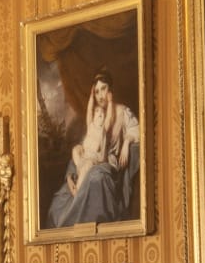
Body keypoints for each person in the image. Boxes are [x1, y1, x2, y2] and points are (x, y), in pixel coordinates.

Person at [45, 70, 140, 229]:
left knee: (95, 178)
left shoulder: (122, 111)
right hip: (88, 162)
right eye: (97, 92)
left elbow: (136, 130)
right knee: (58, 202)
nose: (100, 95)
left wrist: (126, 143)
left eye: (103, 89)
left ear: (110, 90)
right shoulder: (96, 117)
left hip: (107, 165)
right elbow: (85, 147)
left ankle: (79, 221)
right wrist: (70, 178)